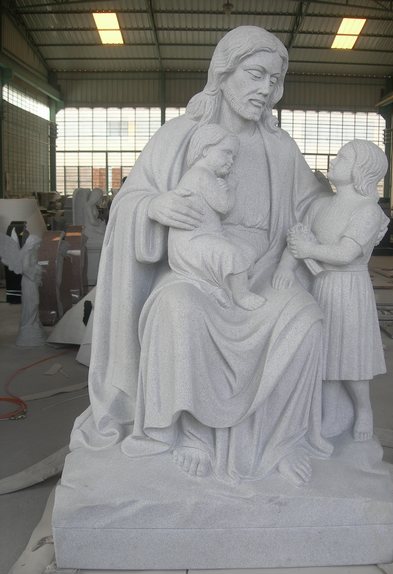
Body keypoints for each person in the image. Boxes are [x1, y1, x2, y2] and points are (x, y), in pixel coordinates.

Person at [71, 26, 333, 485]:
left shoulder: (280, 147)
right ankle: (192, 434)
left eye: (274, 80)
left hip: (264, 271)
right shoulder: (178, 136)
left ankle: (279, 441)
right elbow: (130, 201)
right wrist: (154, 206)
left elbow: (311, 205)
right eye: (255, 74)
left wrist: (350, 208)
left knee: (306, 321)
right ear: (223, 73)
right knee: (177, 310)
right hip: (194, 269)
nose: (265, 88)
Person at [273, 140, 389, 441]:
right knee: (324, 353)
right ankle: (329, 414)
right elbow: (297, 238)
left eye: (343, 158)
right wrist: (285, 267)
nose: (334, 161)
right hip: (322, 287)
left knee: (351, 354)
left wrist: (309, 249)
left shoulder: (367, 211)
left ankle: (363, 409)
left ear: (360, 170)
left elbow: (345, 253)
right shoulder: (320, 205)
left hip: (350, 289)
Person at [169, 124, 265, 310]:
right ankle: (241, 294)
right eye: (227, 153)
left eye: (233, 156)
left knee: (247, 251)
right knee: (231, 253)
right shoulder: (201, 175)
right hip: (191, 243)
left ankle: (218, 286)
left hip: (205, 238)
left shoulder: (204, 175)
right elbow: (224, 206)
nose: (231, 161)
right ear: (205, 149)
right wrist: (232, 188)